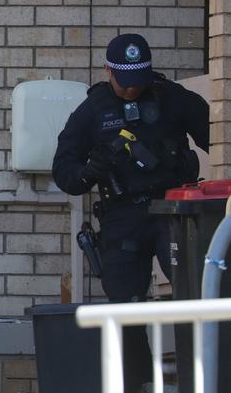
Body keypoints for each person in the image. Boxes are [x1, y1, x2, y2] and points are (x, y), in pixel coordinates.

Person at [52, 33, 209, 393]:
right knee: (126, 307)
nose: (132, 91)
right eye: (125, 83)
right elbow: (65, 173)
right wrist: (91, 170)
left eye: (139, 81)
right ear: (109, 71)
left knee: (194, 295)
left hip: (172, 212)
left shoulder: (172, 98)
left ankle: (199, 379)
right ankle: (138, 383)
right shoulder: (92, 110)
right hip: (122, 217)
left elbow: (218, 134)